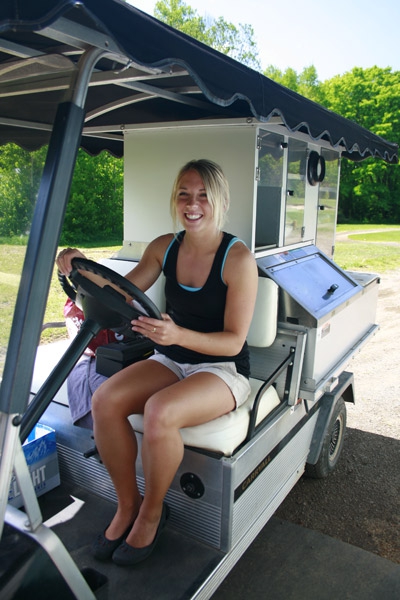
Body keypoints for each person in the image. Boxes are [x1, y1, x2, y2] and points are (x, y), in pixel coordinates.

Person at [56, 159, 258, 566]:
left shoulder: (238, 259)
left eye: (203, 195)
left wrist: (178, 334)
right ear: (175, 199)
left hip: (223, 369)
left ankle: (152, 511)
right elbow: (124, 290)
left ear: (220, 201)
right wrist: (76, 263)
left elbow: (234, 340)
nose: (192, 203)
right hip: (172, 357)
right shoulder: (164, 246)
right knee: (105, 400)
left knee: (159, 411)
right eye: (184, 193)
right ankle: (127, 505)